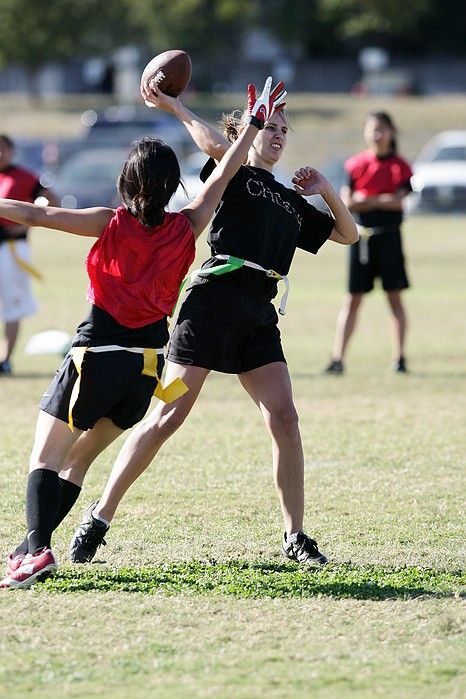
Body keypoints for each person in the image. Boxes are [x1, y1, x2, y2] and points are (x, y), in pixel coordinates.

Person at [0, 75, 280, 589]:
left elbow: (24, 213)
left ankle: (36, 551)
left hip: (97, 356)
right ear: (174, 186)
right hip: (147, 371)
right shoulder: (189, 224)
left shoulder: (108, 222)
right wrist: (255, 125)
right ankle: (29, 549)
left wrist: (29, 210)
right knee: (78, 463)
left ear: (126, 184)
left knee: (45, 458)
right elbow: (229, 171)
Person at [68, 78, 358, 568]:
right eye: (271, 126)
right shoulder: (237, 174)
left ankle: (296, 536)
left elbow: (349, 235)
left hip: (257, 317)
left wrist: (326, 189)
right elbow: (216, 145)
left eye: (284, 129)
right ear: (250, 130)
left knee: (284, 417)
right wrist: (181, 106)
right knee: (167, 414)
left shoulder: (289, 201)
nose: (278, 134)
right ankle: (98, 516)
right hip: (210, 307)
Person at [325, 111, 413, 375]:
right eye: (373, 129)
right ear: (366, 132)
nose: (378, 134)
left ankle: (400, 358)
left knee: (394, 298)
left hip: (389, 238)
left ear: (391, 132)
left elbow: (399, 201)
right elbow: (347, 201)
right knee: (352, 299)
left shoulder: (400, 166)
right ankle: (338, 358)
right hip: (360, 238)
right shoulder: (355, 165)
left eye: (383, 129)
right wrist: (381, 199)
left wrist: (368, 198)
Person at [0, 134, 58, 375]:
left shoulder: (24, 177)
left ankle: (5, 359)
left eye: (2, 149)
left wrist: (27, 224)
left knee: (12, 304)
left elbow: (51, 202)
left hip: (11, 247)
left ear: (11, 151)